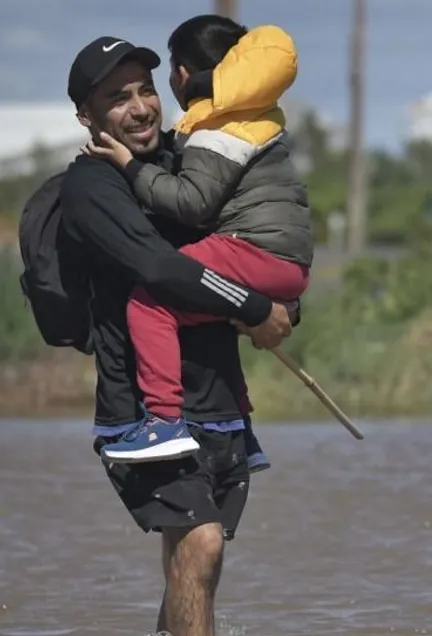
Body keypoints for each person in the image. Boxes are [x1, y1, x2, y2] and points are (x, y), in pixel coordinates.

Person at [60, 34, 290, 636]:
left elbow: (258, 241)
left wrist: (283, 304)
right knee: (201, 542)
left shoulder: (193, 161)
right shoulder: (91, 187)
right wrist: (254, 306)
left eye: (145, 90)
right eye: (117, 98)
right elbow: (158, 267)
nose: (140, 108)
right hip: (144, 414)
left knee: (194, 568)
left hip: (222, 406)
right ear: (87, 116)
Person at [84, 15, 314, 464]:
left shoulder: (216, 127)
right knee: (205, 307)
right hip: (286, 262)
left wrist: (130, 166)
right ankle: (242, 433)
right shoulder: (257, 117)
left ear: (182, 74)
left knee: (151, 300)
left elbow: (193, 202)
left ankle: (164, 421)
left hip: (254, 250)